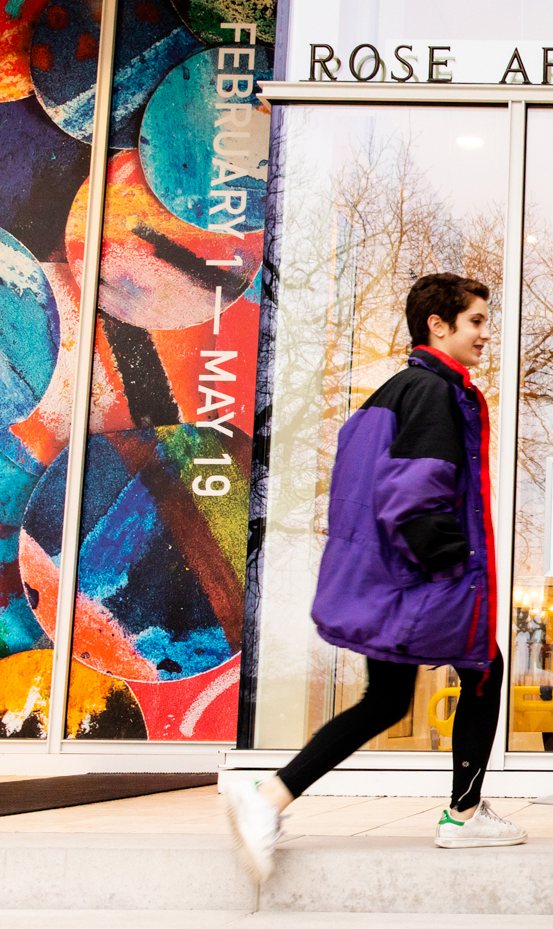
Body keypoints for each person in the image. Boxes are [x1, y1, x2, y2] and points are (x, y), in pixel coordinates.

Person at [218, 274, 526, 882]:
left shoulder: (391, 391)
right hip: (418, 579)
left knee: (393, 696)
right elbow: (412, 495)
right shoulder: (436, 392)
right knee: (480, 672)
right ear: (439, 326)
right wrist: (453, 571)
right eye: (477, 322)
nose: (486, 335)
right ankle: (462, 816)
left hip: (385, 577)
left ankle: (273, 799)